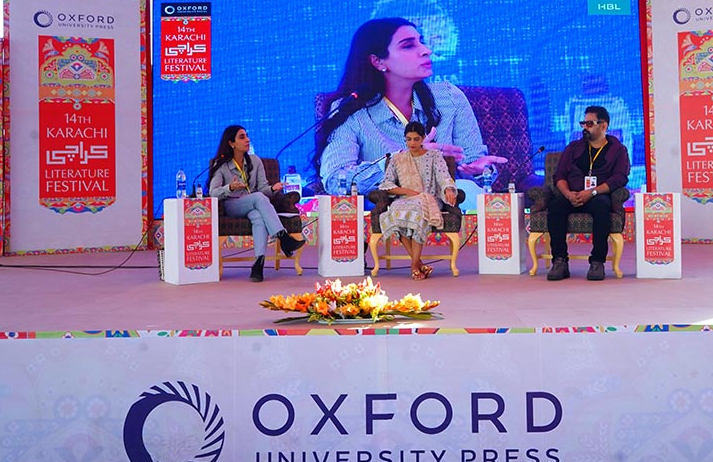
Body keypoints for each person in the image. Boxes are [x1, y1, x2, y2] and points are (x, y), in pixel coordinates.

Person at [315, 17, 506, 196]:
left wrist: (479, 171)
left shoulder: (449, 97)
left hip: (447, 206)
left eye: (421, 42)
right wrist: (404, 161)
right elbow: (336, 180)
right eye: (408, 45)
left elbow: (472, 167)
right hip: (386, 211)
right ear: (378, 61)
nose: (426, 50)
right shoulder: (350, 109)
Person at [209, 125, 305, 282]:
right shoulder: (221, 164)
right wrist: (229, 188)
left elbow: (263, 190)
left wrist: (273, 189)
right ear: (231, 143)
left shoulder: (255, 161)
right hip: (232, 205)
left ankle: (258, 265)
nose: (247, 140)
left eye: (247, 136)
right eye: (242, 137)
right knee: (258, 198)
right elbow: (213, 192)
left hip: (253, 203)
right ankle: (283, 237)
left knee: (258, 217)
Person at [546, 106, 630, 282]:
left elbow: (620, 178)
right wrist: (568, 194)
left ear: (603, 126)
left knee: (601, 206)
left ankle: (597, 262)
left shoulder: (618, 150)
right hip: (572, 195)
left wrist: (591, 192)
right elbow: (559, 175)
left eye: (590, 124)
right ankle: (560, 261)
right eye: (583, 123)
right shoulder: (573, 148)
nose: (585, 127)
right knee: (555, 207)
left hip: (597, 195)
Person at [378, 121, 458, 280]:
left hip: (428, 198)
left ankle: (414, 264)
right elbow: (387, 184)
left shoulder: (434, 156)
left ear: (423, 138)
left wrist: (448, 188)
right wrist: (407, 191)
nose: (412, 143)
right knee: (396, 212)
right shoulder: (398, 159)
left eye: (416, 139)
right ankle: (418, 263)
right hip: (405, 199)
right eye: (408, 139)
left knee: (418, 211)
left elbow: (443, 176)